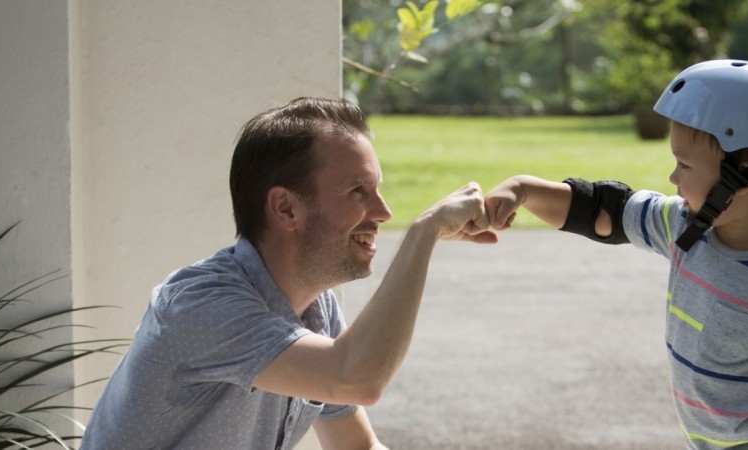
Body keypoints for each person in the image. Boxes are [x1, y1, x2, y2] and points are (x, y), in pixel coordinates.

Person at [485, 60, 748, 449]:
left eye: (684, 164)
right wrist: (522, 189)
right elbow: (602, 209)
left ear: (745, 171)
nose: (673, 178)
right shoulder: (683, 226)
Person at [81, 97, 496, 450]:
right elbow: (355, 380)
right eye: (358, 191)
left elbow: (359, 446)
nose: (384, 212)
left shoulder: (316, 309)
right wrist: (422, 234)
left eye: (377, 189)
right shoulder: (200, 306)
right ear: (285, 208)